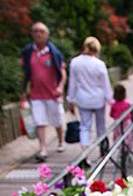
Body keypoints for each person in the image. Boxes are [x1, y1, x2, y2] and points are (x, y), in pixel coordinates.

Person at [20, 22, 67, 161]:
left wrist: (61, 87)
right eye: (35, 31)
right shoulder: (29, 52)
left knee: (57, 120)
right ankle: (43, 149)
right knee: (39, 122)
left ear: (47, 34)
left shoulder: (54, 52)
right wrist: (23, 91)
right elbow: (26, 73)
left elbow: (63, 72)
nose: (38, 34)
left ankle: (60, 141)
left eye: (41, 31)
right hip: (36, 94)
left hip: (53, 93)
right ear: (32, 34)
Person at [66, 36, 113, 152]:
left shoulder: (75, 62)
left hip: (83, 99)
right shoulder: (99, 64)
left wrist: (71, 100)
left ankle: (85, 154)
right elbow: (105, 84)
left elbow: (72, 83)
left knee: (84, 127)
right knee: (100, 125)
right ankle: (102, 147)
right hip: (98, 99)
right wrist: (110, 100)